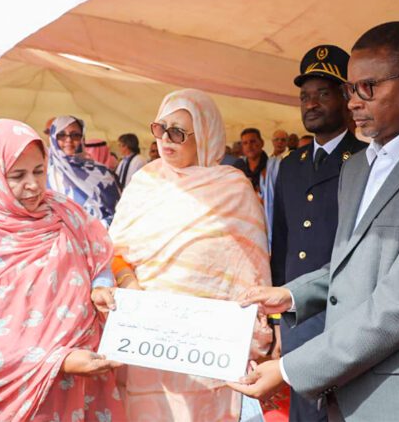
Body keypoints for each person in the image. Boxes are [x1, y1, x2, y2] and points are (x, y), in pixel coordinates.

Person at [230, 21, 399, 422]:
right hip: (349, 391)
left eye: (368, 87)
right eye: (351, 89)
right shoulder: (358, 169)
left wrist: (288, 369)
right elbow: (352, 264)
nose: (353, 102)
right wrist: (293, 294)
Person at [0, 119, 125, 421]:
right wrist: (57, 361)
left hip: (79, 382)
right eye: (17, 176)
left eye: (39, 171)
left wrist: (100, 284)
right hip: (10, 395)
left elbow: (98, 253)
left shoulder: (63, 211)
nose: (33, 185)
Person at [99, 89, 273, 421]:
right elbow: (114, 250)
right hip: (147, 339)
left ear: (205, 135)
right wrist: (129, 282)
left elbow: (250, 271)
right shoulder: (145, 181)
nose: (166, 139)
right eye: (160, 128)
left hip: (206, 347)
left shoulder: (233, 188)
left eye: (178, 132)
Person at [270, 43, 367, 422]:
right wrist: (278, 315)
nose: (310, 104)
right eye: (304, 96)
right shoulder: (290, 165)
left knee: (344, 406)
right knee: (302, 407)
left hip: (346, 310)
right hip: (297, 310)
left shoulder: (365, 159)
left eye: (322, 94)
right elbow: (282, 241)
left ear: (346, 97)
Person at [46, 115, 120, 227]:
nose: (69, 140)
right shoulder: (44, 175)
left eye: (75, 135)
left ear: (82, 138)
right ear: (53, 138)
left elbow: (119, 211)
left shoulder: (102, 173)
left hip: (102, 235)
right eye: (61, 135)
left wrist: (97, 229)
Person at [241, 128, 281, 242]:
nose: (249, 146)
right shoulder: (239, 168)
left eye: (253, 141)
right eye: (245, 143)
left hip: (270, 222)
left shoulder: (274, 167)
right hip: (246, 224)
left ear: (262, 143)